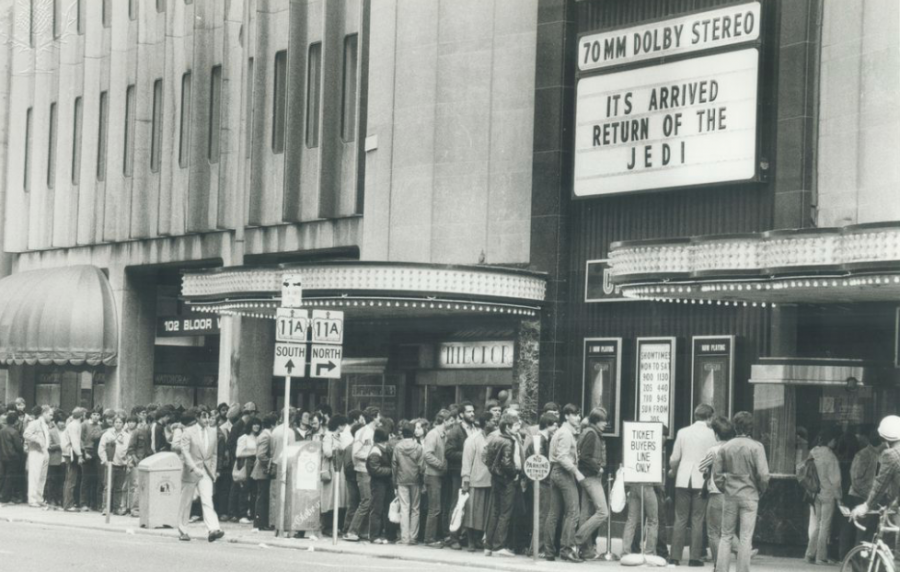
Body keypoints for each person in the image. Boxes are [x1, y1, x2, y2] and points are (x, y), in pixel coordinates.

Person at [712, 411, 770, 572]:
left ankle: (721, 569)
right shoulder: (757, 447)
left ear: (735, 427)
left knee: (726, 535)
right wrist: (760, 490)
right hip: (750, 495)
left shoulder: (726, 447)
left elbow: (716, 475)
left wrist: (725, 487)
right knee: (745, 537)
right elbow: (764, 475)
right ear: (751, 428)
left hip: (730, 495)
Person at [669, 403, 718, 566]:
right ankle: (694, 558)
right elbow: (714, 458)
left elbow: (675, 458)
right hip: (701, 480)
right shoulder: (712, 435)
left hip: (683, 478)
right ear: (709, 417)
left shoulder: (682, 432)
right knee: (698, 519)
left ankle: (675, 556)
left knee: (680, 518)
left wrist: (673, 471)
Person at [176, 408, 224, 543]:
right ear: (197, 418)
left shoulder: (213, 432)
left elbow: (214, 454)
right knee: (186, 502)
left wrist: (212, 471)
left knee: (207, 499)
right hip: (191, 471)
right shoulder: (188, 432)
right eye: (204, 417)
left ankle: (213, 529)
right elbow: (185, 452)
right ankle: (183, 530)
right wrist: (194, 467)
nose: (207, 420)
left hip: (206, 471)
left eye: (209, 417)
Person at [483, 411, 522, 557]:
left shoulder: (494, 438)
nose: (518, 427)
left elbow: (486, 458)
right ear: (507, 427)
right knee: (505, 513)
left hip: (496, 479)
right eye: (516, 425)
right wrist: (515, 473)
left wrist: (495, 472)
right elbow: (507, 463)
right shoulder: (509, 441)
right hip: (507, 480)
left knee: (495, 512)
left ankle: (488, 546)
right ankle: (499, 546)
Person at [841, 427, 883, 555]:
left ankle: (862, 558)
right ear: (881, 441)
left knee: (867, 530)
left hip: (867, 496)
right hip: (859, 496)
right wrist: (868, 497)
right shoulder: (864, 454)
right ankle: (856, 560)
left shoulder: (878, 455)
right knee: (861, 530)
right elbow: (856, 479)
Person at [574, 407, 609, 561]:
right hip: (591, 477)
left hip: (585, 477)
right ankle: (577, 539)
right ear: (596, 421)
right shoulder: (592, 434)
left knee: (585, 513)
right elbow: (585, 458)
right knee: (603, 512)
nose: (605, 424)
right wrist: (598, 468)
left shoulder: (589, 432)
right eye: (602, 421)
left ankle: (585, 550)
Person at [804, 426, 842, 565]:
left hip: (815, 493)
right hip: (827, 493)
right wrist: (839, 498)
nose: (835, 443)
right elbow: (835, 480)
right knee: (825, 525)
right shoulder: (830, 456)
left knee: (818, 524)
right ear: (830, 440)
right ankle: (821, 557)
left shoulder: (813, 451)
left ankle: (809, 554)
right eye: (834, 440)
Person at [699, 416, 734, 564]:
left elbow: (701, 467)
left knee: (713, 530)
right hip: (733, 492)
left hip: (716, 492)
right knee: (727, 529)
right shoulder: (734, 448)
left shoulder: (714, 450)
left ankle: (718, 562)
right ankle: (741, 550)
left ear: (717, 434)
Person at [345, 406, 381, 541]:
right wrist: (367, 458)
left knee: (369, 501)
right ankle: (352, 531)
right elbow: (355, 452)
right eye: (378, 416)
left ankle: (363, 531)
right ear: (374, 417)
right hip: (363, 470)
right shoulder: (363, 432)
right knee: (365, 501)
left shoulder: (373, 431)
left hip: (368, 470)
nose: (380, 419)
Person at [444, 401, 476, 550]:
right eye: (469, 412)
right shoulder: (456, 431)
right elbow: (449, 452)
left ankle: (463, 535)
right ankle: (453, 537)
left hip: (472, 472)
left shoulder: (475, 429)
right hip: (458, 472)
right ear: (462, 415)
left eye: (473, 411)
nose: (472, 414)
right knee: (457, 504)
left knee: (468, 505)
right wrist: (467, 455)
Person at [392, 419, 424, 545]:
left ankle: (404, 537)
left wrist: (394, 482)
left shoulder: (398, 447)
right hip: (415, 480)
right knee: (415, 508)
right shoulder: (418, 447)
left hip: (401, 479)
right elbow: (422, 467)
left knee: (404, 508)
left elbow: (394, 465)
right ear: (413, 433)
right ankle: (413, 537)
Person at [421, 408, 449, 547]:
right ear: (444, 421)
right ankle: (429, 539)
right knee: (434, 508)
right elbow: (427, 455)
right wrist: (441, 465)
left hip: (438, 475)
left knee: (437, 508)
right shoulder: (433, 435)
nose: (454, 423)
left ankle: (433, 536)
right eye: (451, 420)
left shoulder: (443, 434)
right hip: (433, 475)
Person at [98, 414, 132, 515]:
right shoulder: (107, 435)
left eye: (120, 422)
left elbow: (129, 450)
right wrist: (105, 461)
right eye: (116, 422)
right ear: (113, 423)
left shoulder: (127, 436)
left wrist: (128, 462)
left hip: (121, 464)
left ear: (123, 424)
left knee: (118, 488)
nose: (118, 424)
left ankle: (116, 508)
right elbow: (101, 449)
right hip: (110, 464)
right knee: (108, 486)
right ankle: (105, 507)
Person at [321, 413, 348, 534]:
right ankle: (328, 526)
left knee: (340, 497)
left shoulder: (340, 436)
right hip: (332, 469)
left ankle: (337, 525)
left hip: (339, 469)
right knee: (331, 498)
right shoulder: (328, 436)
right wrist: (338, 449)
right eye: (343, 425)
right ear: (339, 425)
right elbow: (327, 452)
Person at [251, 412, 277, 531]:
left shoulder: (264, 435)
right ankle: (259, 522)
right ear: (273, 424)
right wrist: (270, 462)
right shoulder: (266, 436)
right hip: (262, 471)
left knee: (263, 497)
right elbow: (261, 455)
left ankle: (261, 522)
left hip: (262, 470)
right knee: (262, 497)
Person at [367, 427, 393, 544]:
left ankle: (387, 534)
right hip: (378, 483)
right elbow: (374, 469)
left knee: (386, 508)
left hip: (384, 482)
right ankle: (374, 535)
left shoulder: (383, 448)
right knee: (377, 509)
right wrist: (390, 471)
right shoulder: (375, 451)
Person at [23, 405, 53, 508]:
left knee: (42, 477)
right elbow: (26, 434)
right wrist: (38, 439)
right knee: (35, 476)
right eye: (50, 414)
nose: (51, 417)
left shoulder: (46, 425)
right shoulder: (35, 423)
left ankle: (39, 498)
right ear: (44, 413)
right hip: (36, 452)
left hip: (44, 451)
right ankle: (32, 500)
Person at [234, 416, 261, 524]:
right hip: (246, 464)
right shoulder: (244, 437)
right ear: (250, 425)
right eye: (254, 424)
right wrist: (254, 453)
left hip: (256, 464)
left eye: (258, 424)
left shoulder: (259, 437)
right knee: (244, 489)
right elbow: (238, 453)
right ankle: (242, 514)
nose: (256, 426)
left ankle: (251, 513)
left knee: (254, 490)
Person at [126, 412, 152, 516]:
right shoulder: (136, 433)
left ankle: (139, 507)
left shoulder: (149, 433)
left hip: (146, 460)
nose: (143, 425)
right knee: (136, 485)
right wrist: (135, 460)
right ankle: (135, 508)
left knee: (142, 485)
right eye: (142, 422)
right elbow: (131, 449)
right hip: (138, 461)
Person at [62, 408, 84, 511]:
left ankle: (68, 503)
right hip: (71, 453)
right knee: (71, 480)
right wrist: (79, 455)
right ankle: (68, 504)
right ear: (81, 415)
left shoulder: (72, 424)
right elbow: (75, 442)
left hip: (69, 452)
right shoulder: (75, 425)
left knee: (69, 479)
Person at [0, 411, 24, 503]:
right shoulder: (14, 432)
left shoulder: (2, 431)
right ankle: (6, 497)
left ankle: (3, 495)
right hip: (13, 457)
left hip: (2, 457)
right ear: (15, 421)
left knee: (4, 476)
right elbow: (19, 447)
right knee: (10, 478)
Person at [44, 411, 66, 508]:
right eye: (61, 421)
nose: (63, 424)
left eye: (64, 421)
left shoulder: (66, 431)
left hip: (64, 459)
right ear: (56, 422)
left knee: (61, 481)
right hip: (54, 459)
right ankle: (50, 500)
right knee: (52, 480)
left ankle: (59, 499)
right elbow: (48, 446)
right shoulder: (51, 431)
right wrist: (59, 446)